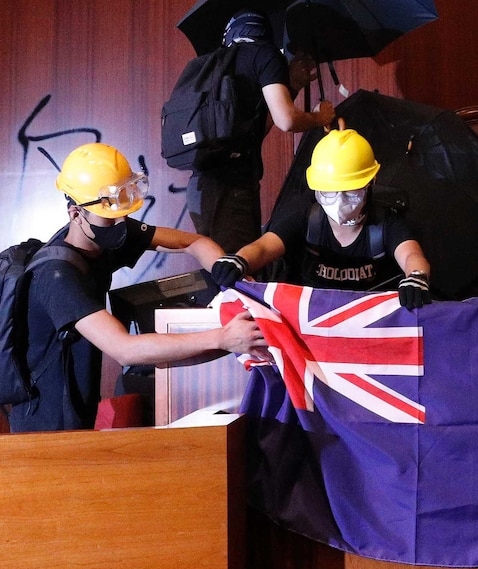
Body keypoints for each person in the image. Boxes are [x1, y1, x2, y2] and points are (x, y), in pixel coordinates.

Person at [5, 143, 269, 432]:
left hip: (77, 408)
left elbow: (195, 243)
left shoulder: (104, 233)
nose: (121, 222)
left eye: (123, 210)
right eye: (110, 213)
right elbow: (124, 349)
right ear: (75, 214)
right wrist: (223, 338)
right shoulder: (57, 277)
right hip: (43, 424)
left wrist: (233, 279)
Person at [210, 128, 433, 310]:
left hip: (367, 319)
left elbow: (411, 254)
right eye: (329, 191)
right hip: (310, 317)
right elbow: (264, 247)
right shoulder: (305, 215)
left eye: (351, 190)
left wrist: (416, 277)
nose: (339, 200)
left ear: (370, 183)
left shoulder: (386, 221)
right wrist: (240, 260)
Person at [186, 11, 336, 253]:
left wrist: (294, 85)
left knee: (221, 266)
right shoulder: (265, 53)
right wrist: (320, 117)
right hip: (232, 188)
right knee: (239, 270)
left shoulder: (216, 62)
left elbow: (254, 132)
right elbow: (286, 120)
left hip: (201, 188)